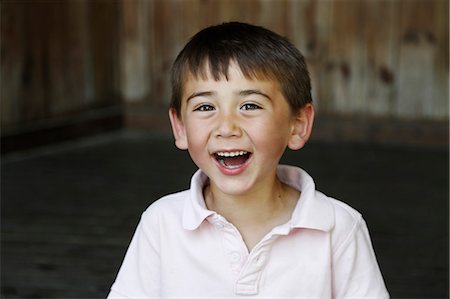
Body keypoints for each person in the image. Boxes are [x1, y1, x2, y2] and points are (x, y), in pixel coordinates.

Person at [107, 22, 389, 298]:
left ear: (298, 124)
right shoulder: (162, 222)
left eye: (250, 106)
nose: (227, 127)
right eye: (205, 107)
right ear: (180, 127)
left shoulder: (337, 227)